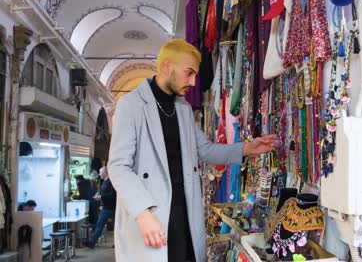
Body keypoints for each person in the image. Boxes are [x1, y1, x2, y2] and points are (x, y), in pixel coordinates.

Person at [108, 38, 277, 262]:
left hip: (185, 214)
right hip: (152, 216)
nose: (193, 81)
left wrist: (247, 148)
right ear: (167, 66)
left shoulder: (184, 109)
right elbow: (118, 166)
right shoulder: (131, 105)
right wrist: (141, 212)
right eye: (189, 72)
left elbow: (205, 150)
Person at [83, 166, 116, 248]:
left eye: (100, 172)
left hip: (113, 208)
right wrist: (98, 195)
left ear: (105, 173)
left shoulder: (111, 181)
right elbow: (102, 192)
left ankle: (117, 244)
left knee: (117, 227)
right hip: (105, 208)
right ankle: (92, 242)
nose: (99, 174)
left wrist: (101, 197)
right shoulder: (103, 181)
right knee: (99, 225)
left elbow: (113, 195)